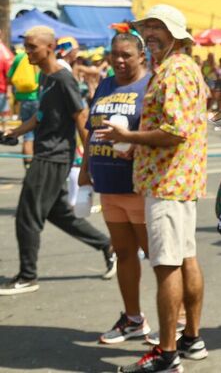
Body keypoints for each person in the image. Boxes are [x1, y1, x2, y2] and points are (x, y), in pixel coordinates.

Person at [97, 4, 208, 373]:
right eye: (146, 27)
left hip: (168, 184)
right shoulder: (177, 67)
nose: (149, 33)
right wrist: (137, 145)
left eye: (157, 27)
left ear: (175, 33)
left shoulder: (175, 70)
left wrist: (129, 137)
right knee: (185, 259)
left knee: (167, 266)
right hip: (175, 181)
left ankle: (167, 353)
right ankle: (191, 339)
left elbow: (176, 132)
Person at [0, 26, 115, 296]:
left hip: (53, 156)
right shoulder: (45, 76)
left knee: (27, 216)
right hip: (46, 152)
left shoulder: (63, 79)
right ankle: (107, 245)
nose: (27, 52)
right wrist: (14, 132)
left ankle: (27, 276)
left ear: (50, 48)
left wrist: (88, 163)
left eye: (32, 47)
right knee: (58, 213)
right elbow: (40, 115)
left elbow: (81, 119)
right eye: (26, 46)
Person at [78, 32, 153, 344]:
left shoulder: (150, 85)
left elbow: (161, 133)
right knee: (123, 253)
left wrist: (135, 145)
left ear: (141, 57)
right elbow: (92, 130)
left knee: (158, 257)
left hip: (137, 186)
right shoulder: (106, 84)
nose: (119, 61)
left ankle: (177, 323)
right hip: (107, 185)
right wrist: (85, 170)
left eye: (126, 55)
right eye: (114, 55)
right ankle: (133, 319)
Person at [7, 49, 40, 168]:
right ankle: (34, 166)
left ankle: (28, 166)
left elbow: (9, 76)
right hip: (38, 97)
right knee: (38, 134)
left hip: (24, 99)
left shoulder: (19, 57)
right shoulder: (40, 55)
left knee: (27, 134)